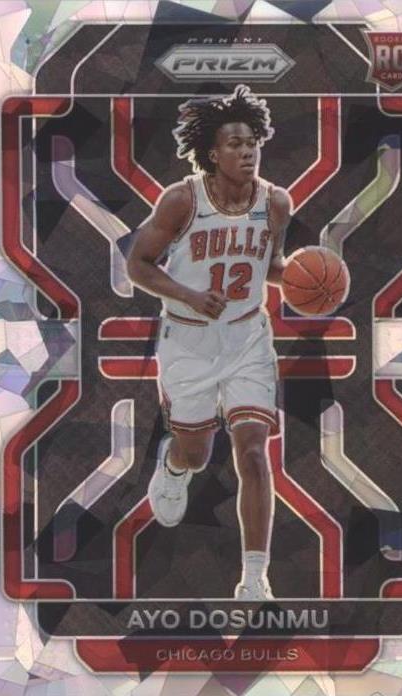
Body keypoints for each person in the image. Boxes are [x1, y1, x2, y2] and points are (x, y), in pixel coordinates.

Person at [127, 85, 290, 600]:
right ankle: (174, 466)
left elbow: (272, 267)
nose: (247, 152)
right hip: (189, 340)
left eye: (252, 143)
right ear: (213, 153)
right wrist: (189, 295)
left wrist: (308, 278)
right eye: (235, 144)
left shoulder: (276, 202)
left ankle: (255, 578)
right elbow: (137, 264)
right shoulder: (182, 200)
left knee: (254, 452)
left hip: (248, 339)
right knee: (197, 454)